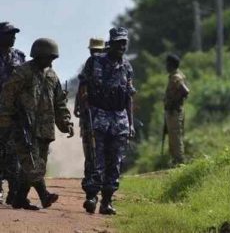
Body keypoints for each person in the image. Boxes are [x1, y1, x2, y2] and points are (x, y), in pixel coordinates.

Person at [0, 38, 74, 210]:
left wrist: (66, 123)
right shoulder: (22, 72)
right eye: (47, 57)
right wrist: (6, 120)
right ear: (38, 55)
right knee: (32, 164)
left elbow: (59, 103)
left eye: (52, 58)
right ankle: (44, 196)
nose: (50, 61)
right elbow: (7, 95)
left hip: (45, 129)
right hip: (23, 126)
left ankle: (20, 199)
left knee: (37, 165)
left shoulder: (52, 75)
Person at [77, 27, 136, 215]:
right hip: (98, 116)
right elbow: (83, 85)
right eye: (118, 42)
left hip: (119, 118)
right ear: (110, 43)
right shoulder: (95, 62)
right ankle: (92, 196)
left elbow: (129, 96)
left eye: (124, 43)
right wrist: (83, 109)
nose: (121, 46)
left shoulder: (127, 66)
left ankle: (107, 201)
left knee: (115, 161)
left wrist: (131, 123)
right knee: (95, 159)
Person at [0, 22, 26, 205]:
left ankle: (14, 191)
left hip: (15, 113)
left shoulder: (19, 56)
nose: (13, 37)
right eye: (9, 34)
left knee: (13, 153)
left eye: (14, 34)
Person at [164, 54, 189, 166]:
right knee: (173, 136)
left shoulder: (176, 77)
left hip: (175, 111)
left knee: (176, 137)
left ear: (172, 65)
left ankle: (180, 161)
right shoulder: (175, 75)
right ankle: (175, 160)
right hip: (172, 111)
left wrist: (174, 101)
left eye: (167, 64)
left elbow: (185, 91)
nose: (166, 66)